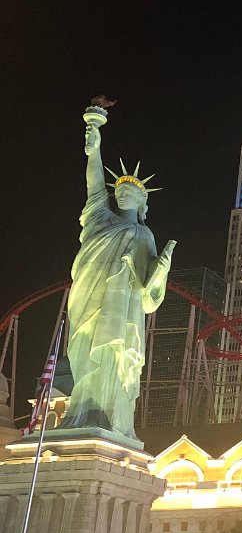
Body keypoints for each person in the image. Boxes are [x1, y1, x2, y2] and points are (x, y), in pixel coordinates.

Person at [57, 103, 175, 442]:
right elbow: (94, 184)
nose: (123, 195)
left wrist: (161, 271)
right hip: (90, 295)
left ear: (142, 203)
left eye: (130, 193)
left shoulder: (144, 236)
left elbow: (149, 296)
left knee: (113, 353)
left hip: (122, 310)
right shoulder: (101, 220)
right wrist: (94, 148)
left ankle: (108, 416)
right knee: (84, 349)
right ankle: (81, 412)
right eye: (120, 191)